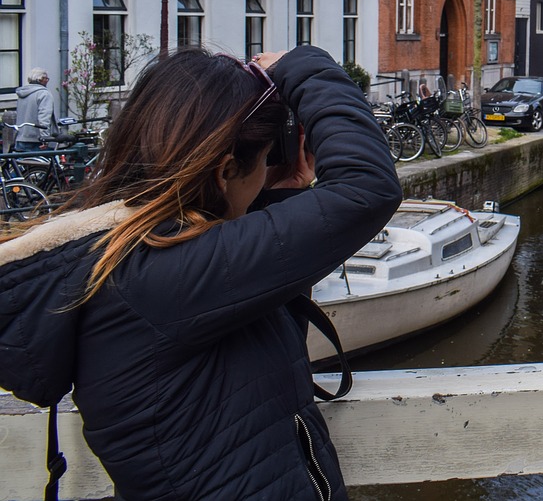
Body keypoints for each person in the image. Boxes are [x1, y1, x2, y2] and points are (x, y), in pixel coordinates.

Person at [0, 45, 402, 499]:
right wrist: (302, 66)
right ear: (226, 170)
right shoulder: (161, 276)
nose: (270, 168)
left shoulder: (142, 256)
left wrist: (280, 196)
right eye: (266, 158)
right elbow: (367, 189)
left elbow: (257, 344)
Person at [13, 66, 56, 149]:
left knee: (21, 161)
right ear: (40, 79)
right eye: (46, 78)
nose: (47, 81)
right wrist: (45, 138)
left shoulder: (22, 93)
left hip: (21, 137)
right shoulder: (44, 94)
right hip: (36, 140)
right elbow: (44, 117)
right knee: (44, 161)